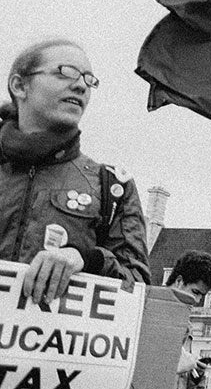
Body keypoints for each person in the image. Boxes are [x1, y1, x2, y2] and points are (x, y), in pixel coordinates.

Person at [0, 39, 150, 302]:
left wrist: (87, 259)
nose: (81, 85)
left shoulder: (112, 187)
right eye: (65, 73)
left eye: (88, 80)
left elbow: (137, 290)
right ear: (20, 86)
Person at [167, 249, 211, 388]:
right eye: (195, 292)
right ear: (179, 281)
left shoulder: (185, 325)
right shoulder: (149, 312)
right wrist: (173, 366)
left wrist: (194, 377)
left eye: (201, 296)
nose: (197, 300)